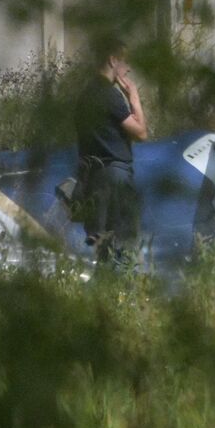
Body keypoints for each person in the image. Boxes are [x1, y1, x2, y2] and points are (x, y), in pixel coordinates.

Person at [73, 37, 149, 268]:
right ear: (112, 60)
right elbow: (141, 133)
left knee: (102, 249)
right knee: (125, 247)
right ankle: (125, 296)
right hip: (116, 177)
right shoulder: (109, 95)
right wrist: (134, 97)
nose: (128, 69)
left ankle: (104, 297)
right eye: (125, 62)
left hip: (91, 179)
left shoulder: (84, 96)